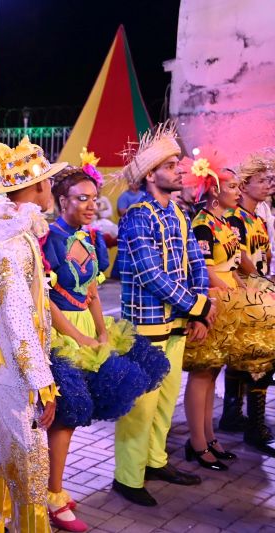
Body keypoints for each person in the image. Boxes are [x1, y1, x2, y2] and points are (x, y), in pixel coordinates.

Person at [42, 164, 167, 531]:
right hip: (58, 333)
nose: (90, 205)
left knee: (72, 418)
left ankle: (52, 488)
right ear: (62, 200)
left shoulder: (91, 238)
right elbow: (44, 299)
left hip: (86, 331)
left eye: (94, 199)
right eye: (82, 198)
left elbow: (93, 292)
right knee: (62, 417)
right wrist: (77, 337)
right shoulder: (47, 238)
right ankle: (52, 493)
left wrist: (101, 333)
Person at [113, 122, 216, 507]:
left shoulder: (177, 212)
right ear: (151, 174)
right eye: (172, 165)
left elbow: (197, 263)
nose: (180, 169)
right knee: (140, 406)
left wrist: (197, 310)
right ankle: (127, 477)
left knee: (165, 401)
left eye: (178, 163)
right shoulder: (138, 216)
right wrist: (198, 306)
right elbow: (149, 272)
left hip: (175, 324)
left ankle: (154, 461)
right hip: (144, 325)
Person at [0, 137, 63, 532]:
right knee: (30, 460)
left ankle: (2, 522)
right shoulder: (10, 243)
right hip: (14, 371)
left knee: (6, 450)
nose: (52, 189)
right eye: (49, 182)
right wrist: (42, 381)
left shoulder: (6, 233)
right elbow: (18, 318)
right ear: (37, 185)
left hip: (2, 366)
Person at [180, 148, 267, 471]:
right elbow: (204, 269)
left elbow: (238, 263)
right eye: (232, 187)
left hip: (230, 302)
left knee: (212, 373)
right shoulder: (203, 224)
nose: (237, 191)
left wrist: (252, 285)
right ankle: (198, 443)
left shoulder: (224, 223)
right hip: (215, 303)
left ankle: (210, 438)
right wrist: (233, 292)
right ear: (214, 191)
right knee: (202, 374)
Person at [222, 151, 275, 456]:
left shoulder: (258, 216)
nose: (269, 184)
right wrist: (260, 282)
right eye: (261, 180)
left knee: (249, 357)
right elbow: (236, 258)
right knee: (257, 357)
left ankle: (233, 414)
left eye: (270, 179)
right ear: (244, 186)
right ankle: (254, 424)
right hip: (245, 293)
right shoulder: (235, 218)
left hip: (259, 290)